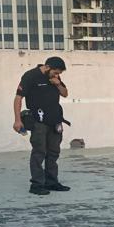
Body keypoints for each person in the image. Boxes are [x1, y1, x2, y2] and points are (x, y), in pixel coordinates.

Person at [13, 56, 70, 195]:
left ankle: (52, 182)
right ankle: (37, 185)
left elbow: (65, 94)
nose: (57, 75)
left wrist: (58, 84)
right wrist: (17, 120)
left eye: (59, 74)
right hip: (39, 121)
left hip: (55, 120)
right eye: (55, 72)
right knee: (39, 153)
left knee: (53, 152)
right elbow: (18, 98)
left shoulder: (55, 78)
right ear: (47, 67)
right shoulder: (30, 76)